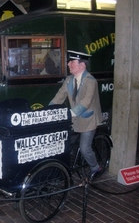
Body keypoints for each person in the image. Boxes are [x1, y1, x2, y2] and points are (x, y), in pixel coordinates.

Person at [49, 50, 103, 183]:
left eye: (72, 62)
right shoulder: (69, 80)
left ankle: (95, 167)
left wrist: (70, 113)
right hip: (74, 119)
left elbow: (86, 101)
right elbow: (58, 97)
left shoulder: (91, 81)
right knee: (64, 145)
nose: (68, 64)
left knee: (85, 148)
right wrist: (47, 111)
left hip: (87, 118)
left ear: (82, 65)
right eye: (69, 62)